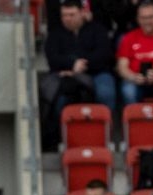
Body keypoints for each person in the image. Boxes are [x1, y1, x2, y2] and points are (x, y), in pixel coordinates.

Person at [40, 0, 115, 141]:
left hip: (97, 72)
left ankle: (105, 136)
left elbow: (104, 54)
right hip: (66, 75)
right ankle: (63, 139)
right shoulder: (55, 34)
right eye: (64, 15)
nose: (67, 19)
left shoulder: (97, 29)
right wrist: (72, 64)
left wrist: (82, 64)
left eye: (72, 15)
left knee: (106, 93)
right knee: (59, 99)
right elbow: (52, 59)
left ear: (82, 13)